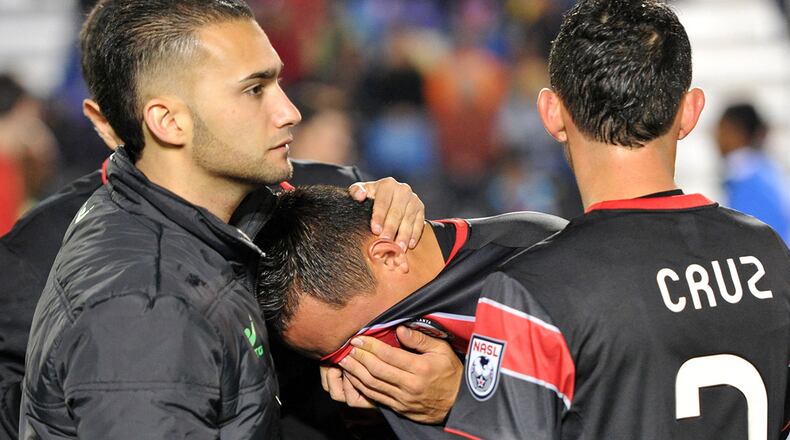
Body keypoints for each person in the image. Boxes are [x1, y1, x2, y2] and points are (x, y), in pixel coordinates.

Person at [19, 1, 425, 438]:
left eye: (278, 82)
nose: (289, 111)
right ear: (169, 121)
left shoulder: (193, 221)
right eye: (255, 89)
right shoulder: (146, 309)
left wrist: (374, 208)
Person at [440, 1, 790, 439]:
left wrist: (449, 402)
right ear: (690, 111)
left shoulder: (530, 292)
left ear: (551, 112)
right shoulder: (772, 258)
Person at [255, 184, 566, 438]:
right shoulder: (355, 392)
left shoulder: (540, 262)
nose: (350, 369)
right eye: (330, 361)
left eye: (356, 342)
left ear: (390, 257)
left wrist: (463, 402)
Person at [716, 102, 790, 244]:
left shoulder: (747, 178)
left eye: (722, 130)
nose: (717, 139)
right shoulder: (767, 171)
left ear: (735, 131)